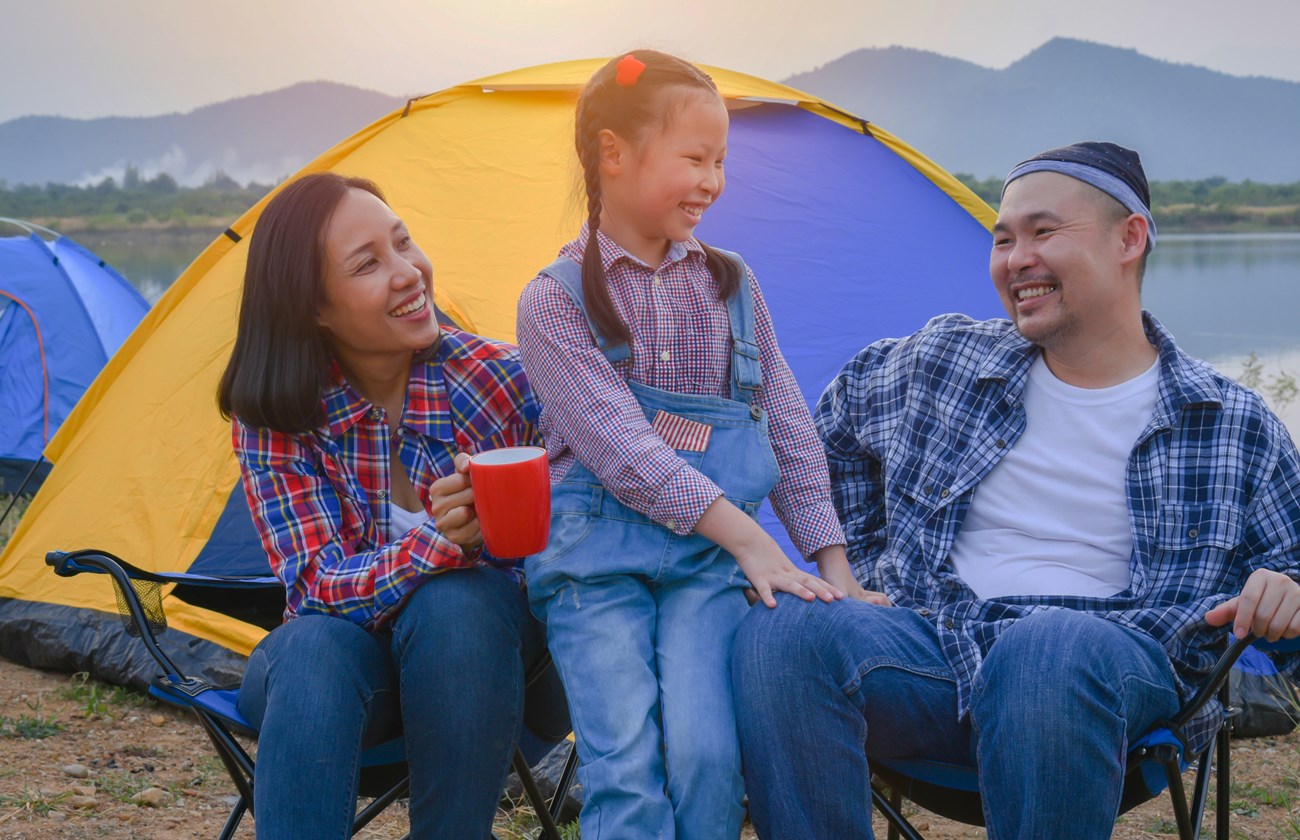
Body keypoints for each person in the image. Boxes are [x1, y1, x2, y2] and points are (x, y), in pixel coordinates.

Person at [732, 141, 1300, 839]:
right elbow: (819, 440)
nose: (1014, 259)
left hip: (1117, 673)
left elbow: (1294, 569)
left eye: (1042, 232)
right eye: (1002, 239)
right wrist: (853, 568)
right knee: (786, 628)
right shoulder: (940, 363)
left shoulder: (1228, 423)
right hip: (933, 654)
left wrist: (1289, 594)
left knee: (1046, 647)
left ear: (1130, 237)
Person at [514, 50, 870, 839]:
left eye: (722, 162)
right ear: (613, 152)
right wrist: (751, 540)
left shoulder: (730, 283)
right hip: (592, 565)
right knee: (627, 770)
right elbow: (624, 453)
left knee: (710, 759)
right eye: (694, 159)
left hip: (705, 568)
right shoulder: (553, 302)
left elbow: (785, 426)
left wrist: (832, 565)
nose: (712, 181)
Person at [216, 172, 568, 839]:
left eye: (404, 244)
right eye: (369, 264)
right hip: (345, 691)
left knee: (460, 600)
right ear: (314, 307)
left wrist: (505, 531)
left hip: (499, 682)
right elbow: (315, 583)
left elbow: (590, 522)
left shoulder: (505, 379)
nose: (408, 273)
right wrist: (438, 543)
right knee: (312, 644)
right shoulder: (276, 414)